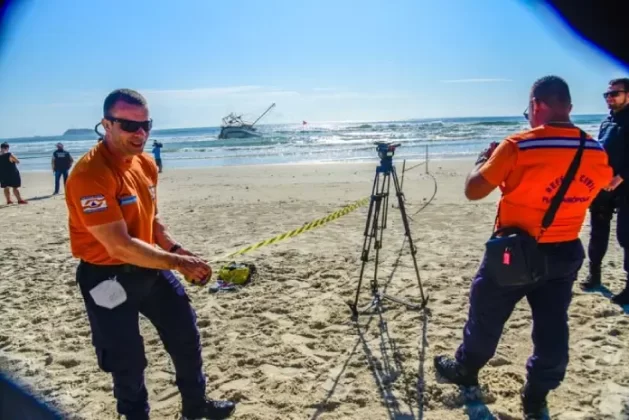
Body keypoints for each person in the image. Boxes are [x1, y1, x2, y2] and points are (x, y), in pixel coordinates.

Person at [433, 76, 613, 418]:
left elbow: (474, 191)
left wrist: (480, 162)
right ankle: (536, 395)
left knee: (486, 315)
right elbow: (604, 184)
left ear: (535, 105)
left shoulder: (517, 145)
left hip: (514, 252)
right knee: (552, 325)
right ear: (569, 107)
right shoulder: (594, 150)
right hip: (565, 250)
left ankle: (465, 369)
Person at [64, 89, 235, 420]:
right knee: (126, 361)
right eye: (128, 125)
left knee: (186, 337)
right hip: (107, 276)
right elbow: (119, 245)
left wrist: (175, 249)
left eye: (146, 125)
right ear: (106, 125)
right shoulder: (90, 174)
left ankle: (196, 408)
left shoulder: (145, 163)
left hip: (152, 268)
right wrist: (178, 263)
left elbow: (152, 219)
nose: (140, 133)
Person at [580, 78, 629, 305]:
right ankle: (594, 275)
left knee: (626, 236)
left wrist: (621, 177)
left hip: (625, 185)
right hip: (603, 187)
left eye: (615, 94)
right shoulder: (606, 123)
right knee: (598, 231)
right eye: (607, 95)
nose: (610, 98)